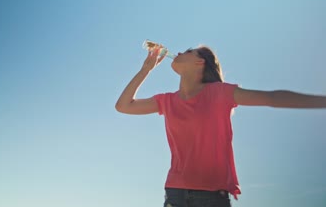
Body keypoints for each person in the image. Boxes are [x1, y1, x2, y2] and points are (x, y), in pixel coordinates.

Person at [115, 44, 326, 207]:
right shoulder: (167, 100)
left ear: (201, 63)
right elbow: (123, 106)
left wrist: (320, 101)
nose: (179, 51)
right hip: (175, 193)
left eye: (189, 51)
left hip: (211, 197)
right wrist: (145, 70)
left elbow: (271, 98)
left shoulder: (220, 93)